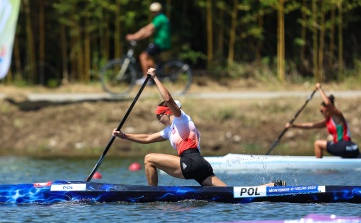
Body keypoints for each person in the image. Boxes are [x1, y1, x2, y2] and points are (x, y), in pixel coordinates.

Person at [113, 68, 286, 187]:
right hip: (201, 165)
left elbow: (169, 99)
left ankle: (152, 194)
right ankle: (272, 186)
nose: (158, 119)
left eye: (159, 115)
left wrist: (154, 78)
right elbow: (147, 138)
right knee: (231, 194)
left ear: (167, 112)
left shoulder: (180, 119)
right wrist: (124, 135)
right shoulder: (169, 131)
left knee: (149, 158)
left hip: (190, 161)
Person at [285, 83, 361, 159]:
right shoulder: (328, 121)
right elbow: (310, 126)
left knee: (317, 144)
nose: (321, 112)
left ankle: (319, 169)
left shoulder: (338, 116)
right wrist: (293, 125)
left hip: (343, 146)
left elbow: (328, 104)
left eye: (322, 111)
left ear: (328, 109)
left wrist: (319, 89)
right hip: (353, 147)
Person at [126, 2, 171, 85]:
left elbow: (147, 29)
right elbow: (148, 33)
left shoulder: (160, 18)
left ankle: (146, 78)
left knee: (143, 56)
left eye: (155, 11)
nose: (153, 13)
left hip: (160, 42)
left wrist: (134, 36)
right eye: (152, 12)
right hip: (163, 42)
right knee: (149, 59)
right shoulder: (163, 18)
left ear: (159, 11)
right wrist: (139, 38)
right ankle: (154, 75)